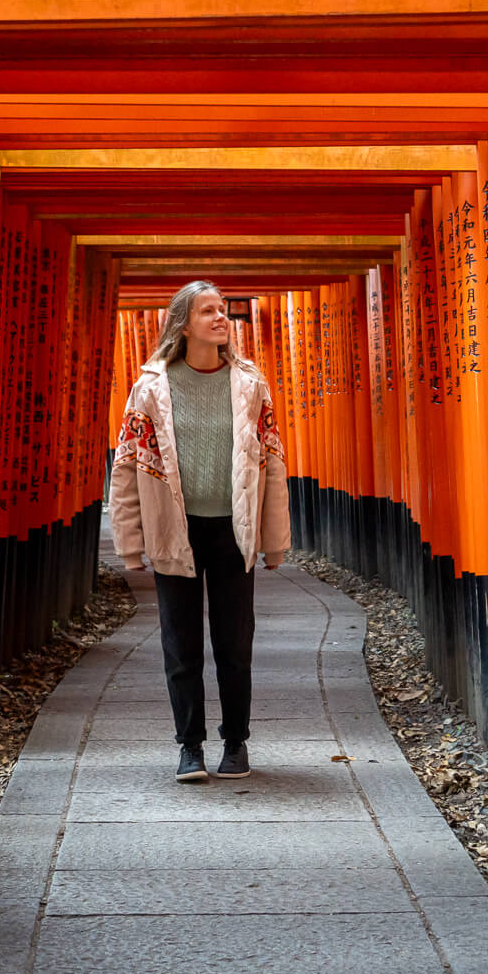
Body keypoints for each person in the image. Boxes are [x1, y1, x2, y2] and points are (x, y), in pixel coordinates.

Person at [108, 280, 291, 783]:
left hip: (234, 530)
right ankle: (189, 746)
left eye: (223, 311)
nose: (220, 319)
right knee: (180, 644)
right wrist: (129, 546)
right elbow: (127, 469)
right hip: (175, 530)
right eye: (207, 311)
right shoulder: (150, 387)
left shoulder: (251, 384)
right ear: (183, 324)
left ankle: (236, 743)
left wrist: (274, 541)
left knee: (235, 643)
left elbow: (273, 462)